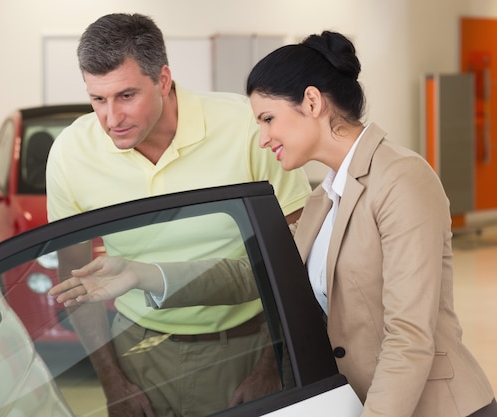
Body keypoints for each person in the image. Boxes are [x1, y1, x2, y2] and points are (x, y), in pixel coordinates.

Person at [46, 12, 312, 417]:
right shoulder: (70, 153)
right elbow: (76, 284)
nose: (111, 119)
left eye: (126, 96)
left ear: (163, 80)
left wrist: (272, 366)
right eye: (98, 99)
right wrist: (112, 383)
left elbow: (298, 255)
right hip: (137, 353)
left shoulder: (245, 126)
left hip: (247, 347)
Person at [245, 31, 497, 416]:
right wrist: (148, 276)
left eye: (268, 119)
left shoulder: (401, 177)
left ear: (312, 102)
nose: (263, 138)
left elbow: (409, 336)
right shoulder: (323, 200)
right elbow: (259, 270)